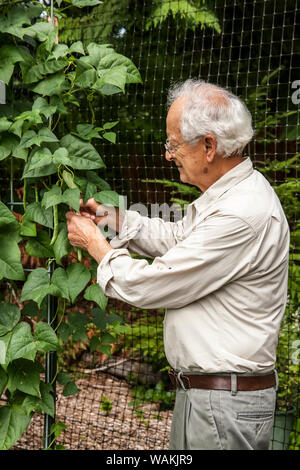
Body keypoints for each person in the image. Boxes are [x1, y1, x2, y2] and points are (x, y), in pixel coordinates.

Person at [66, 79, 290, 450]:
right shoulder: (230, 196)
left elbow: (156, 283)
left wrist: (96, 245)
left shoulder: (241, 212)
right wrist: (113, 218)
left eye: (173, 144)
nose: (168, 155)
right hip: (209, 398)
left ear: (208, 146)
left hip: (224, 405)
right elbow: (179, 241)